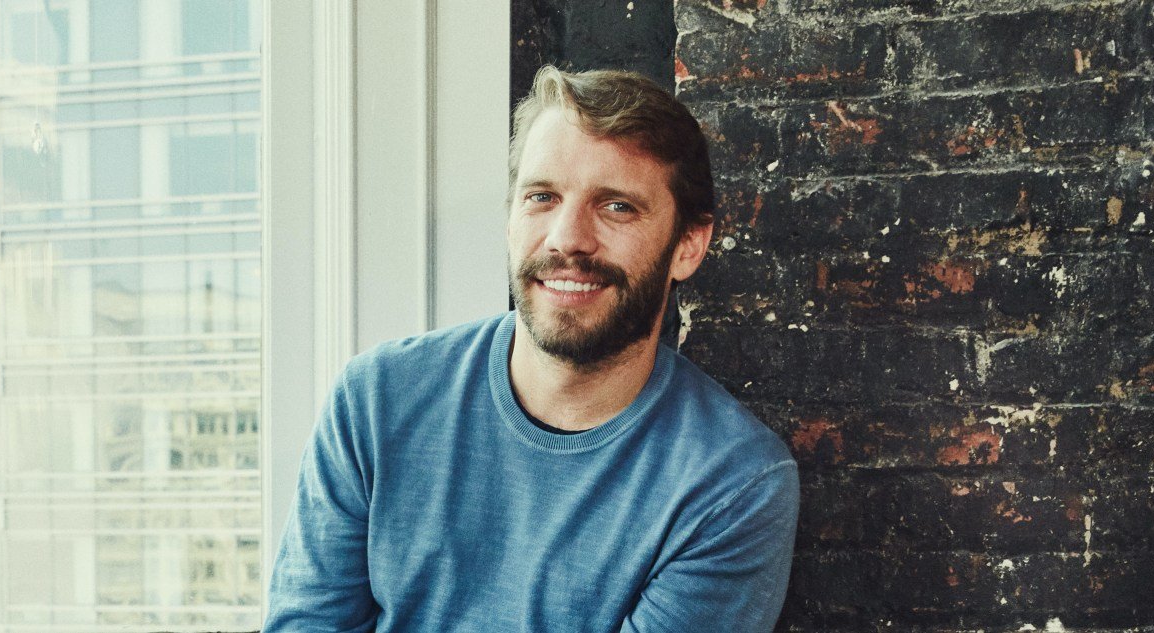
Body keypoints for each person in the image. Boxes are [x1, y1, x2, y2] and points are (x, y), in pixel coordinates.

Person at [264, 65, 799, 632]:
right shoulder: (375, 402)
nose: (567, 238)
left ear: (688, 244)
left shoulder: (731, 484)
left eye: (616, 206)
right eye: (542, 197)